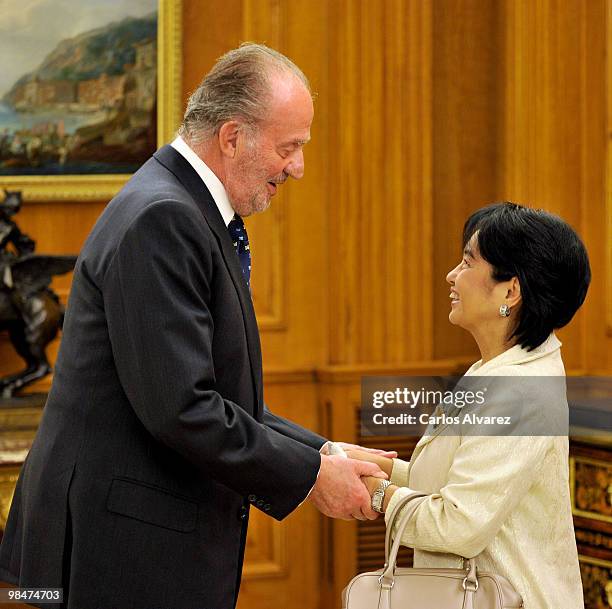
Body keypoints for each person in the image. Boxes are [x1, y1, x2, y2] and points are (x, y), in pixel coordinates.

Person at [0, 43, 392, 609]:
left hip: (128, 544)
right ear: (233, 137)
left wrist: (323, 451)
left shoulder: (183, 207)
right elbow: (183, 408)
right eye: (290, 147)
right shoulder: (165, 217)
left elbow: (207, 391)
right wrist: (311, 476)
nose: (298, 167)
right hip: (113, 554)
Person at [350, 202, 590, 609]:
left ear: (510, 291)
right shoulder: (497, 370)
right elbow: (465, 486)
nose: (451, 275)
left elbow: (457, 524)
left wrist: (379, 494)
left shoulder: (521, 391)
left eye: (467, 262)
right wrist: (388, 470)